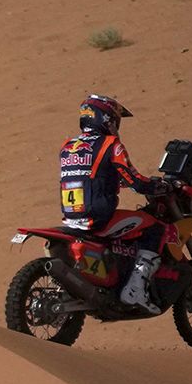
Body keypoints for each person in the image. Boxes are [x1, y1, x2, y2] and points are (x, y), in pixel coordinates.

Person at [59, 94, 170, 313]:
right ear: (106, 119)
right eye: (114, 119)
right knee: (154, 227)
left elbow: (90, 175)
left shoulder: (67, 146)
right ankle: (136, 290)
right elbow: (135, 181)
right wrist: (158, 186)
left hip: (71, 216)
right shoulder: (111, 144)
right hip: (99, 216)